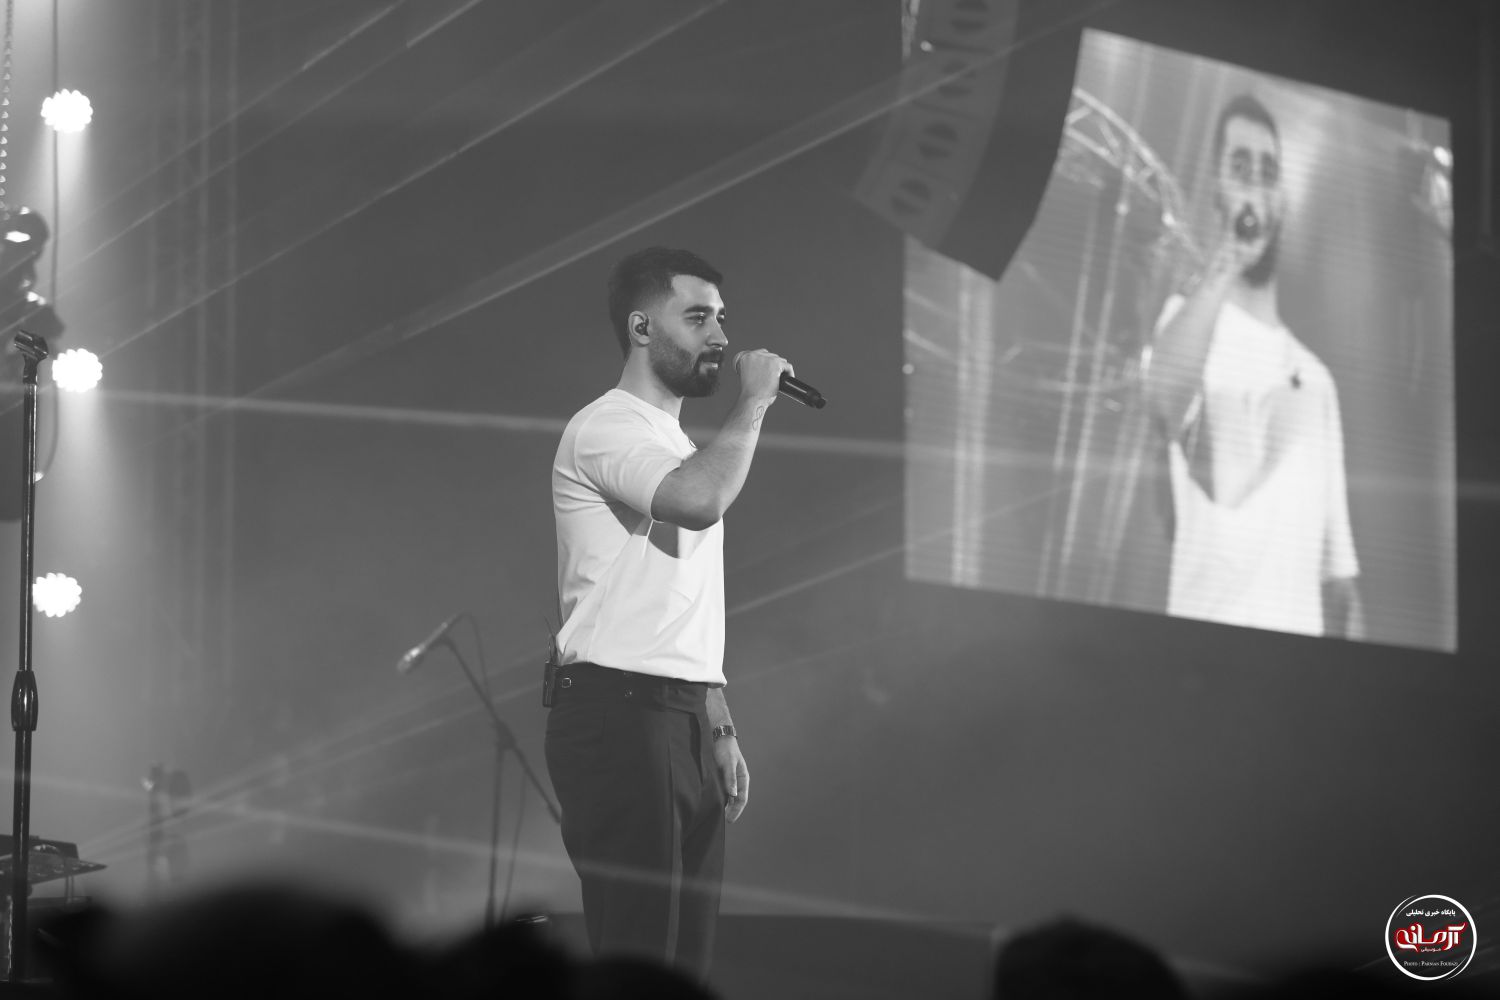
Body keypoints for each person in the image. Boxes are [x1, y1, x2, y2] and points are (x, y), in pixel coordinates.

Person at [545, 246, 791, 979]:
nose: (721, 336)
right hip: (621, 714)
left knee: (686, 962)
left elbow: (676, 601)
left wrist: (716, 721)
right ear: (642, 327)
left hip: (677, 716)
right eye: (698, 317)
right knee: (640, 958)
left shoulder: (678, 443)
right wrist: (754, 402)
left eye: (721, 318)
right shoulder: (606, 426)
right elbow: (699, 502)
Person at [1143, 94, 1363, 639]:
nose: (1255, 188)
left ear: (1282, 200)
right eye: (1240, 169)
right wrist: (1226, 262)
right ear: (1216, 190)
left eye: (1268, 173)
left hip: (1296, 673)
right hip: (1204, 658)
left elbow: (1340, 585)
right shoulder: (1186, 325)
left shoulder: (1317, 381)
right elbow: (1165, 405)